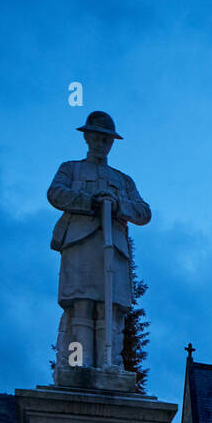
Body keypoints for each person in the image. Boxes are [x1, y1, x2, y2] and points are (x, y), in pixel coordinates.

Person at [47, 111, 151, 372]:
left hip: (113, 249)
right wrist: (89, 200)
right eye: (97, 137)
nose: (102, 144)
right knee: (82, 303)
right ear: (87, 138)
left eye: (107, 139)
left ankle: (110, 363)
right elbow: (55, 193)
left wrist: (119, 205)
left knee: (111, 308)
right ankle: (80, 363)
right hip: (80, 244)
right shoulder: (70, 169)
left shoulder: (123, 180)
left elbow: (144, 212)